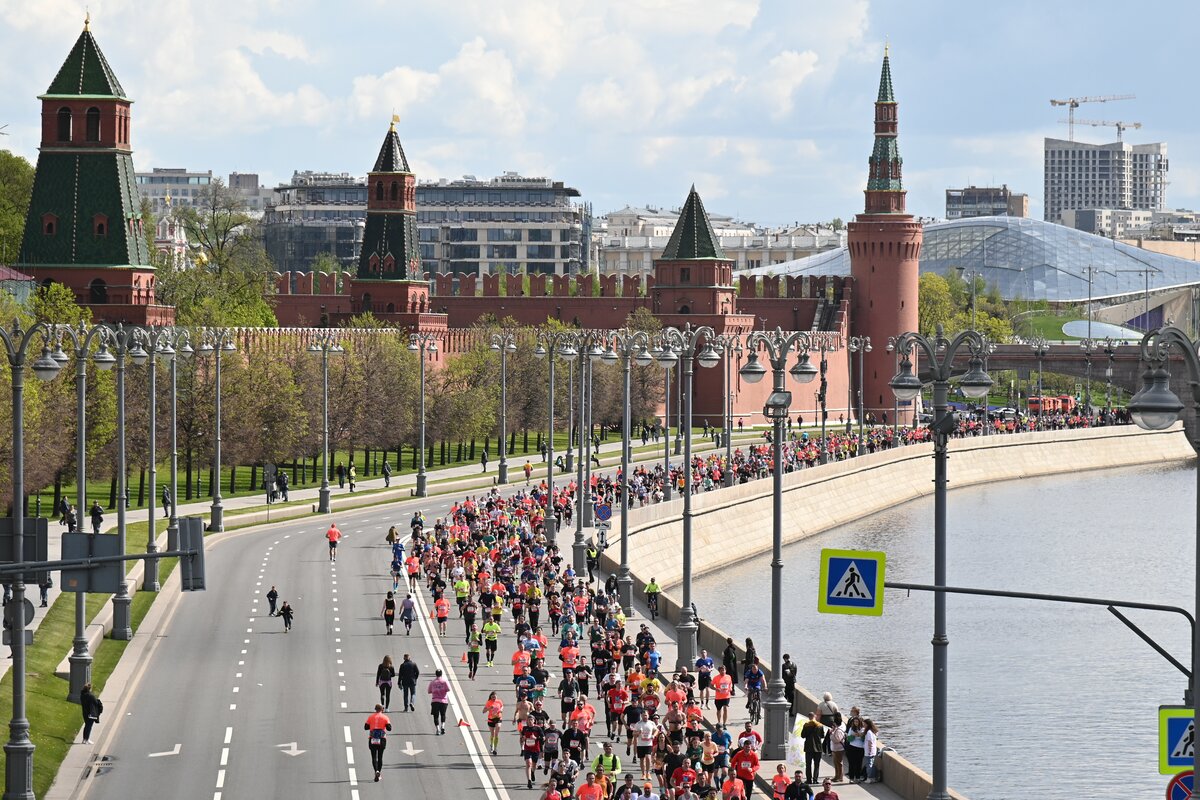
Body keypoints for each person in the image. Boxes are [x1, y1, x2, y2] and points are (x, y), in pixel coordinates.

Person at [364, 703, 391, 782]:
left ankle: (376, 771)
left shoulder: (371, 717)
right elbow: (389, 728)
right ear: (382, 709)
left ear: (375, 709)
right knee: (380, 757)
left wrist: (372, 726)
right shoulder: (385, 717)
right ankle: (379, 771)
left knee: (373, 757)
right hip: (382, 739)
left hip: (372, 738)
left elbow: (365, 727)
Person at [800, 712, 824, 785]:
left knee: (808, 764)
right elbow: (822, 736)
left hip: (809, 748)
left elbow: (802, 735)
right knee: (817, 765)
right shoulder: (820, 725)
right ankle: (815, 780)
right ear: (815, 717)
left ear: (809, 717)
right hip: (818, 748)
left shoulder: (806, 725)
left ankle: (809, 780)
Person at [428, 668, 450, 734]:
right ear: (441, 674)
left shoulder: (432, 682)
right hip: (444, 701)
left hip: (435, 701)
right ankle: (442, 726)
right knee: (443, 714)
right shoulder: (444, 681)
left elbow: (429, 691)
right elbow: (448, 689)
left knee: (436, 716)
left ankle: (437, 729)